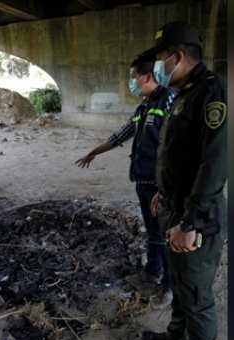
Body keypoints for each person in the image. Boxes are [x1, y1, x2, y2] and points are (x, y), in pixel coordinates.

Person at [137, 20, 227, 340]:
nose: (157, 68)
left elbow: (214, 165)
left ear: (176, 57)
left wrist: (188, 221)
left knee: (196, 295)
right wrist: (164, 194)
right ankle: (176, 338)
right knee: (179, 283)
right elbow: (177, 156)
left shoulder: (213, 93)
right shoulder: (185, 92)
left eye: (160, 60)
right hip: (176, 207)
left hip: (198, 219)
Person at [75, 57, 176, 309]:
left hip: (160, 185)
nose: (132, 82)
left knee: (167, 234)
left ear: (148, 77)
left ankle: (170, 288)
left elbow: (179, 147)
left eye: (134, 76)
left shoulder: (170, 100)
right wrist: (94, 152)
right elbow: (121, 134)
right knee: (153, 232)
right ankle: (152, 272)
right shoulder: (144, 107)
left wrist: (166, 189)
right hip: (142, 180)